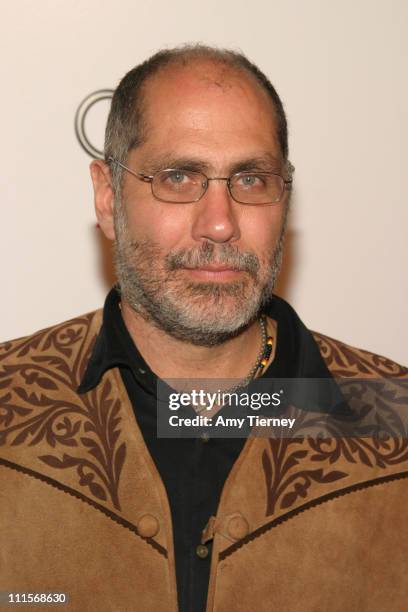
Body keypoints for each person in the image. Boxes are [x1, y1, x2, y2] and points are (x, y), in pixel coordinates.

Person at [0, 44, 407, 612]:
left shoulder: (396, 426)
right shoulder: (9, 404)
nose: (220, 223)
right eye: (178, 176)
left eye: (252, 179)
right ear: (106, 195)